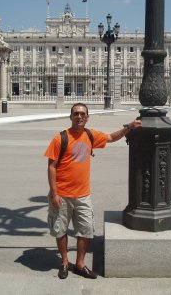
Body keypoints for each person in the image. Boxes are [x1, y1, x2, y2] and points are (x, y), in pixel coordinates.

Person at [44, 102, 142, 279]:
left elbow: (111, 138)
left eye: (82, 114)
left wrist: (129, 126)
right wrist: (55, 193)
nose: (79, 117)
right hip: (62, 195)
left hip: (83, 195)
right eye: (76, 114)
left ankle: (80, 264)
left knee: (86, 230)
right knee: (61, 230)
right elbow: (51, 166)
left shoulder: (90, 135)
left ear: (87, 117)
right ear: (71, 116)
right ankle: (65, 262)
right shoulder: (60, 138)